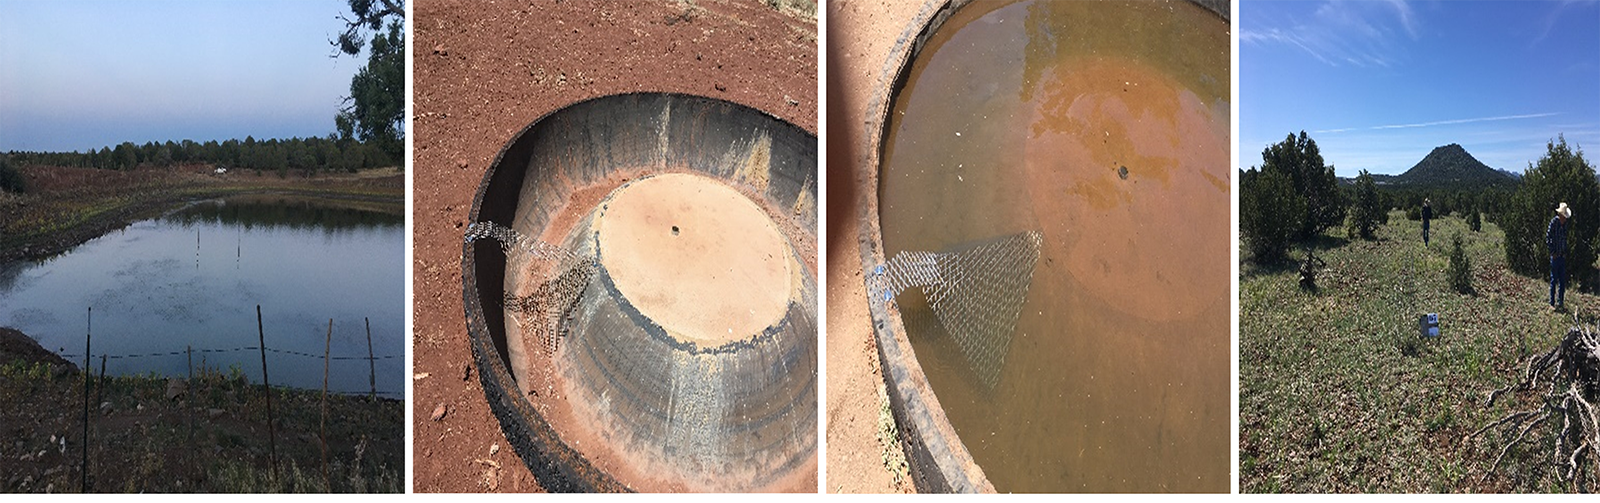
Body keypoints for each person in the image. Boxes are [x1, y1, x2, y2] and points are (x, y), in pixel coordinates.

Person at [1548, 202, 1572, 311]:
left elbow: (1564, 240)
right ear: (1561, 215)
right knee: (1554, 280)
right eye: (1564, 217)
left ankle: (1560, 301)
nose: (1565, 219)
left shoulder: (1565, 226)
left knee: (1562, 281)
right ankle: (1552, 303)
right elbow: (1548, 238)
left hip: (1562, 256)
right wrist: (1552, 252)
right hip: (1555, 256)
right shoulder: (1553, 223)